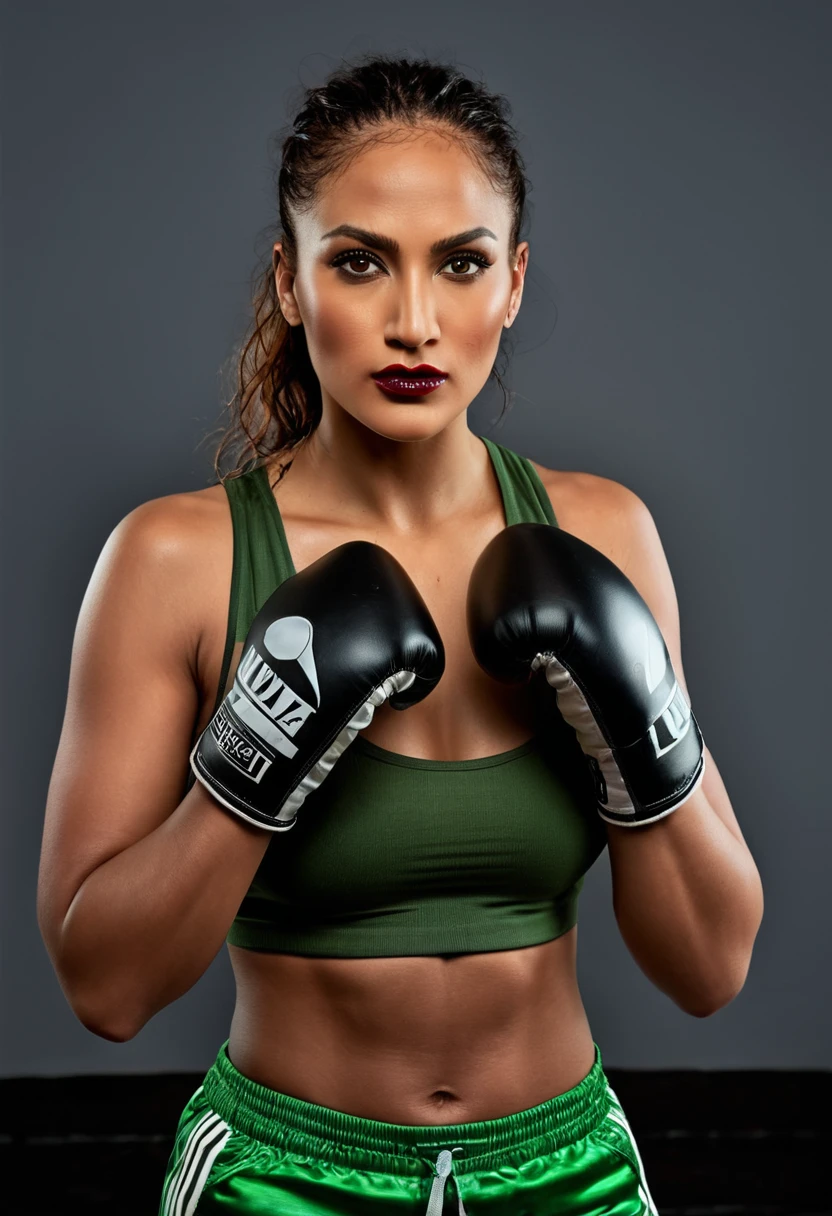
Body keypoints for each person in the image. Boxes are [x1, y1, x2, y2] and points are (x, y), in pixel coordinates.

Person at [37, 53, 764, 1215]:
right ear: (289, 280)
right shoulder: (176, 561)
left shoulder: (602, 533)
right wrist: (250, 762)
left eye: (462, 263)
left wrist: (644, 731)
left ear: (513, 283)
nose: (414, 322)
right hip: (283, 1180)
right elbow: (105, 988)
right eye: (360, 262)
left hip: (566, 1171)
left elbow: (709, 968)